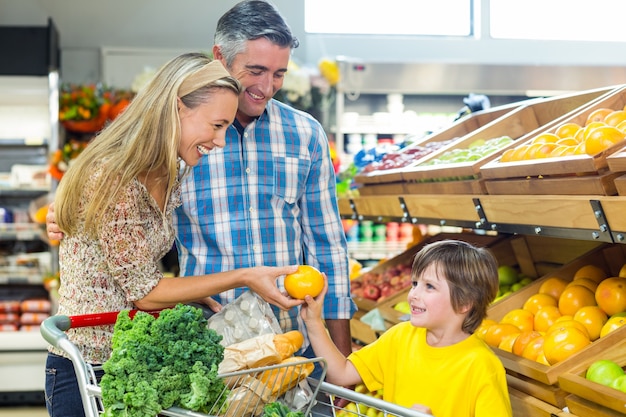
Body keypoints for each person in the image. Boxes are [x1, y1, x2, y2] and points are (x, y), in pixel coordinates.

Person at [46, 0, 356, 367]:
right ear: (219, 58)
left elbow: (328, 247)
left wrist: (341, 359)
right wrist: (74, 215)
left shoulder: (305, 135)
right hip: (205, 344)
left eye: (279, 74)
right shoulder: (177, 152)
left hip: (290, 341)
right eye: (255, 70)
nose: (266, 86)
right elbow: (128, 242)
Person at [44, 52, 302, 417]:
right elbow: (145, 294)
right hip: (88, 369)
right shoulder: (114, 178)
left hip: (133, 363)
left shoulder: (170, 172)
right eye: (216, 125)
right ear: (177, 108)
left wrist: (185, 301)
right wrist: (244, 276)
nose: (221, 141)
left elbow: (132, 275)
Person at [301, 240, 513, 417]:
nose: (413, 295)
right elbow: (342, 374)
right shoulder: (400, 337)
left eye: (429, 286)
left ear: (464, 302)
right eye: (414, 283)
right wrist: (313, 322)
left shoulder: (483, 366)